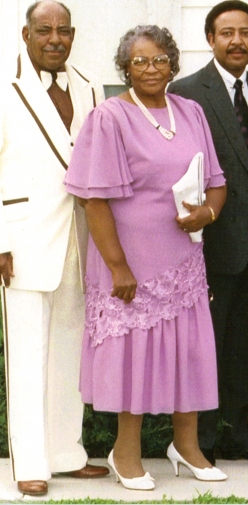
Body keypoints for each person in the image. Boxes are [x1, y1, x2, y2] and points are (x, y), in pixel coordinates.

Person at [64, 25, 227, 491]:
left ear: (173, 65)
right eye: (139, 61)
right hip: (129, 261)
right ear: (125, 68)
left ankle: (187, 446)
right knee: (132, 356)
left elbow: (217, 180)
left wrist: (208, 213)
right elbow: (93, 199)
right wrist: (117, 265)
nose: (150, 68)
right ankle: (125, 453)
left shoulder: (191, 112)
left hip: (182, 258)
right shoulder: (109, 117)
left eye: (159, 60)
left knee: (189, 352)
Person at [168, 1, 248, 463]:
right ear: (211, 39)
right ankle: (202, 439)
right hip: (210, 242)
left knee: (246, 344)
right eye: (227, 33)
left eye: (245, 32)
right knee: (206, 344)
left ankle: (244, 433)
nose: (237, 41)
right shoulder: (185, 91)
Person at [0, 0, 109, 496]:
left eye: (63, 31)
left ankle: (66, 452)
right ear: (26, 35)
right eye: (44, 30)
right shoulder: (5, 86)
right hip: (21, 239)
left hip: (79, 238)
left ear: (73, 35)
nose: (55, 39)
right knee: (26, 354)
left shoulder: (88, 86)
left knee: (69, 349)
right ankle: (30, 462)